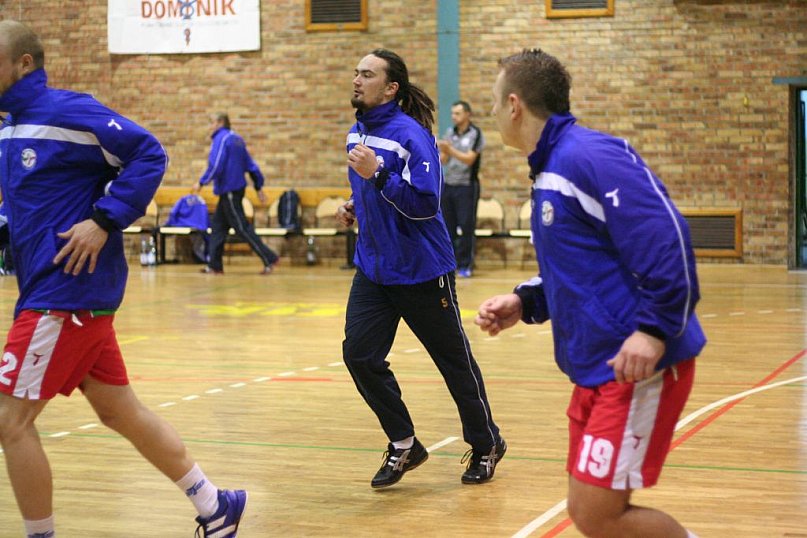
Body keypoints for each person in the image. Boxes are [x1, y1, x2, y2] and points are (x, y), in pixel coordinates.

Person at [0, 20, 246, 538]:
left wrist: (104, 220)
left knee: (9, 420)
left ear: (23, 63)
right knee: (119, 410)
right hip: (55, 291)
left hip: (65, 293)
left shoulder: (67, 112)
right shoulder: (9, 126)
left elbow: (148, 152)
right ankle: (215, 505)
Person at [475, 49, 705, 538]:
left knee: (599, 513)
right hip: (597, 368)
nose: (491, 112)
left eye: (494, 101)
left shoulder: (590, 157)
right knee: (587, 511)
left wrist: (653, 331)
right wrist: (526, 301)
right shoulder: (551, 168)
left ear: (514, 105)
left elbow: (667, 238)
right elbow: (583, 266)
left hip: (637, 366)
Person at [336, 49, 506, 489]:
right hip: (374, 269)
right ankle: (404, 443)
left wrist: (377, 176)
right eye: (356, 72)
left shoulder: (413, 136)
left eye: (367, 74)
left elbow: (426, 203)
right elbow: (372, 187)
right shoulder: (358, 131)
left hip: (421, 270)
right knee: (359, 356)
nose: (357, 79)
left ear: (390, 88)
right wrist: (356, 204)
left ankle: (486, 442)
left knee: (453, 363)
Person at [192, 112, 278, 274]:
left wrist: (202, 182)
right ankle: (214, 265)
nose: (209, 127)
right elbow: (251, 165)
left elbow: (216, 164)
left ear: (220, 122)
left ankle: (269, 257)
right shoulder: (237, 139)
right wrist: (258, 187)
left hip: (230, 189)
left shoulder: (222, 139)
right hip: (232, 191)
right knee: (218, 227)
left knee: (241, 227)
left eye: (211, 122)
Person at [436, 100, 484, 278]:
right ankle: (451, 264)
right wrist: (441, 151)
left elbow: (470, 159)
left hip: (467, 186)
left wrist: (450, 150)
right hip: (449, 185)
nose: (454, 117)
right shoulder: (450, 133)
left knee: (466, 226)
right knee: (448, 226)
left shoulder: (475, 133)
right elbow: (444, 160)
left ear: (467, 114)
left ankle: (466, 264)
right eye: (452, 113)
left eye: (457, 113)